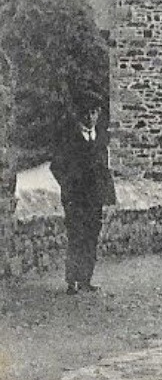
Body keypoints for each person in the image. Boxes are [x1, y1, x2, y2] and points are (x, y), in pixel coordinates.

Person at [51, 103, 116, 293]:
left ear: (99, 114)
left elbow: (105, 170)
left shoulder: (101, 139)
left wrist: (109, 198)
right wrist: (69, 186)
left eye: (93, 112)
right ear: (79, 114)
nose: (89, 117)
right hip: (75, 199)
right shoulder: (70, 139)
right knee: (76, 236)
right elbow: (56, 166)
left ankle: (86, 279)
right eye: (85, 112)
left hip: (94, 199)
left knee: (91, 237)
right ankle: (72, 281)